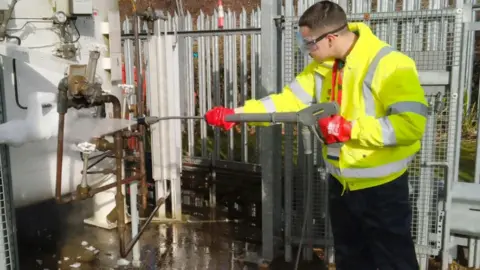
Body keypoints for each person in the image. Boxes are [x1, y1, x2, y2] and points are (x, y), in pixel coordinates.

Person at [204, 1, 427, 269]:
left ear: (331, 38)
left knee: (395, 262)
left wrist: (349, 129)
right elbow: (286, 101)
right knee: (350, 259)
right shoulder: (324, 66)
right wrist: (236, 114)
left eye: (310, 43)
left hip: (383, 190)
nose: (307, 50)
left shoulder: (389, 64)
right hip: (341, 185)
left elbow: (411, 125)